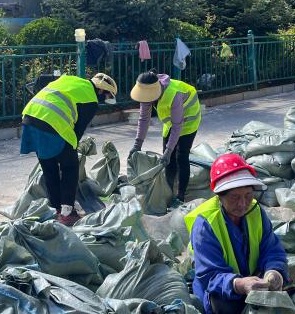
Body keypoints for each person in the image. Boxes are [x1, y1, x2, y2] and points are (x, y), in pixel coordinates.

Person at [185, 154, 288, 314]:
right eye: (234, 197)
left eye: (248, 195)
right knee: (227, 310)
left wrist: (274, 271)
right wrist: (239, 284)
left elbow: (271, 249)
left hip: (250, 281)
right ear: (220, 196)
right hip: (218, 291)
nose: (242, 204)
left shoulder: (256, 212)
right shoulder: (205, 224)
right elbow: (209, 275)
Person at [20, 72, 118, 226]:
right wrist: (73, 151)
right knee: (70, 167)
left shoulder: (71, 80)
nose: (104, 100)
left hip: (30, 117)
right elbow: (77, 131)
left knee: (49, 168)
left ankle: (56, 210)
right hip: (52, 123)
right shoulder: (91, 99)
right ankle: (67, 213)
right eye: (106, 96)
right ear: (101, 90)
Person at [128, 70, 202, 207]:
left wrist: (169, 151)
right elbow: (144, 119)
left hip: (189, 120)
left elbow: (177, 126)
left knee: (181, 156)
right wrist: (137, 144)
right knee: (167, 160)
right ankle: (168, 190)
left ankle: (180, 196)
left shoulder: (174, 94)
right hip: (171, 122)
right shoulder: (147, 92)